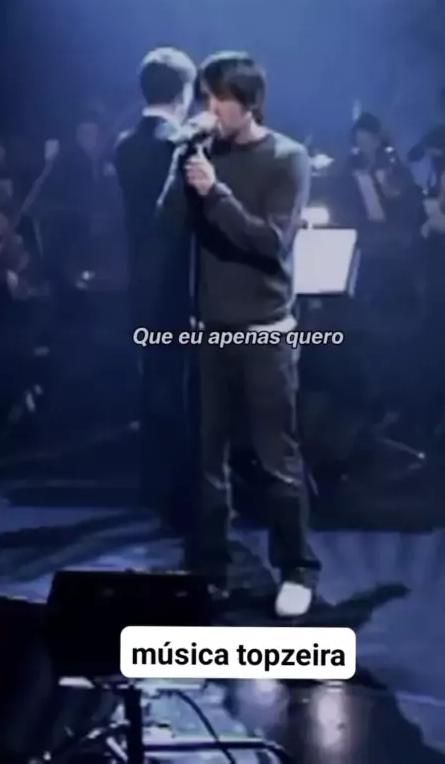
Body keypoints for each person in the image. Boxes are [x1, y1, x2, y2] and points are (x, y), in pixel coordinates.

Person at [157, 51, 316, 618]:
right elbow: (167, 222)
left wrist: (216, 193)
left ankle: (296, 569)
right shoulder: (203, 155)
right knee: (208, 459)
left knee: (277, 459)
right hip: (209, 331)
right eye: (206, 97)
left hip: (266, 332)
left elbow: (270, 242)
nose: (211, 108)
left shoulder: (287, 158)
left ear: (249, 102)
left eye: (221, 98)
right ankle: (212, 569)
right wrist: (183, 162)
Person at [114, 47, 196, 522]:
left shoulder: (124, 146)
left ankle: (153, 487)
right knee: (180, 390)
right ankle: (180, 497)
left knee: (152, 382)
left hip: (141, 281)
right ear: (184, 93)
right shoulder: (178, 146)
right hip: (178, 282)